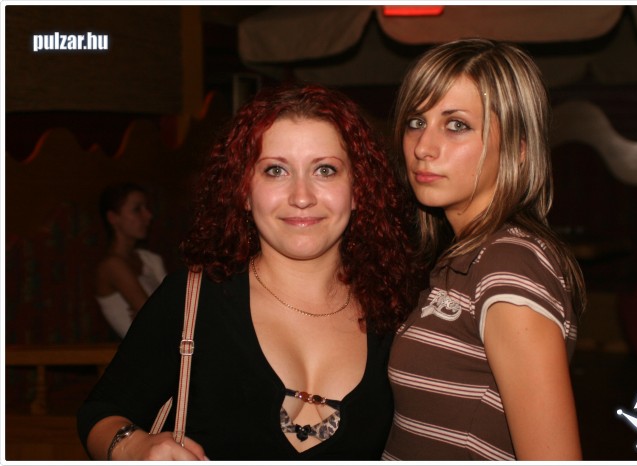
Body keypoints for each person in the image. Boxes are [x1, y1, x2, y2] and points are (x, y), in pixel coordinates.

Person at [77, 84, 422, 460]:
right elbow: (101, 411)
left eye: (325, 170)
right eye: (276, 170)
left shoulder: (399, 313)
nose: (301, 196)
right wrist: (134, 446)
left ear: (358, 190)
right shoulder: (192, 299)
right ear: (243, 190)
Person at [382, 38, 586, 461]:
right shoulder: (468, 258)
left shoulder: (510, 264)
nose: (422, 147)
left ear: (518, 148)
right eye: (416, 121)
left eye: (456, 125)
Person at [95, 182, 167, 338]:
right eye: (137, 209)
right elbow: (155, 317)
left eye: (146, 208)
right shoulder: (112, 266)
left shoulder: (150, 259)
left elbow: (173, 310)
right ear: (113, 218)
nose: (148, 216)